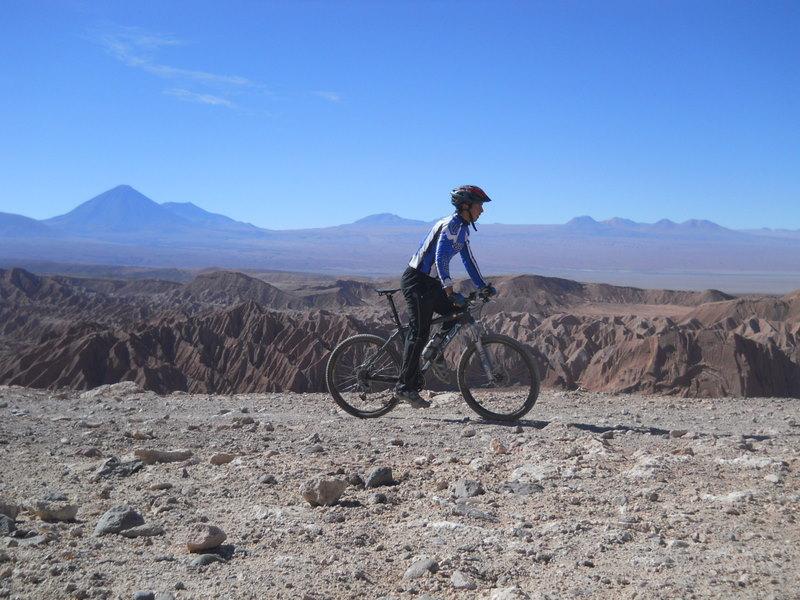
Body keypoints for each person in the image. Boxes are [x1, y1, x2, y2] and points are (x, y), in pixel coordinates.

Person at [394, 185, 497, 408]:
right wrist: (449, 291)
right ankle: (404, 387)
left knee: (456, 314)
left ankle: (433, 350)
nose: (482, 210)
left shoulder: (463, 230)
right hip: (416, 280)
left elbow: (469, 260)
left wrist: (483, 286)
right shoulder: (450, 225)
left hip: (430, 282)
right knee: (418, 331)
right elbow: (440, 258)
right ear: (466, 206)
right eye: (479, 206)